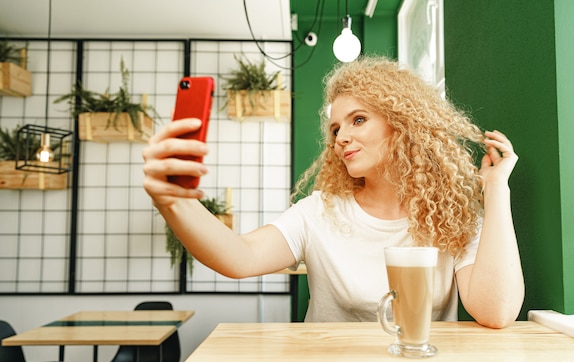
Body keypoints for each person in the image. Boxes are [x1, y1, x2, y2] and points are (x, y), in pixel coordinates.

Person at [143, 56, 524, 329]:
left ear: (404, 126)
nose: (341, 137)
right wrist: (173, 201)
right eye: (336, 128)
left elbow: (496, 311)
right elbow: (239, 258)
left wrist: (495, 189)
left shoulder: (452, 218)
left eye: (358, 120)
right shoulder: (318, 213)